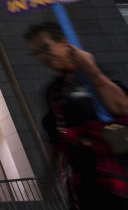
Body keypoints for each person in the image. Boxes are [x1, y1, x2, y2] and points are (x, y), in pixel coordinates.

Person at [24, 21, 128, 209]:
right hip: (84, 179)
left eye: (46, 48)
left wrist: (93, 71)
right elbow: (55, 139)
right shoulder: (51, 91)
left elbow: (122, 107)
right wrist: (48, 175)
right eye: (37, 53)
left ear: (64, 42)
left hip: (116, 173)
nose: (43, 57)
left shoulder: (93, 70)